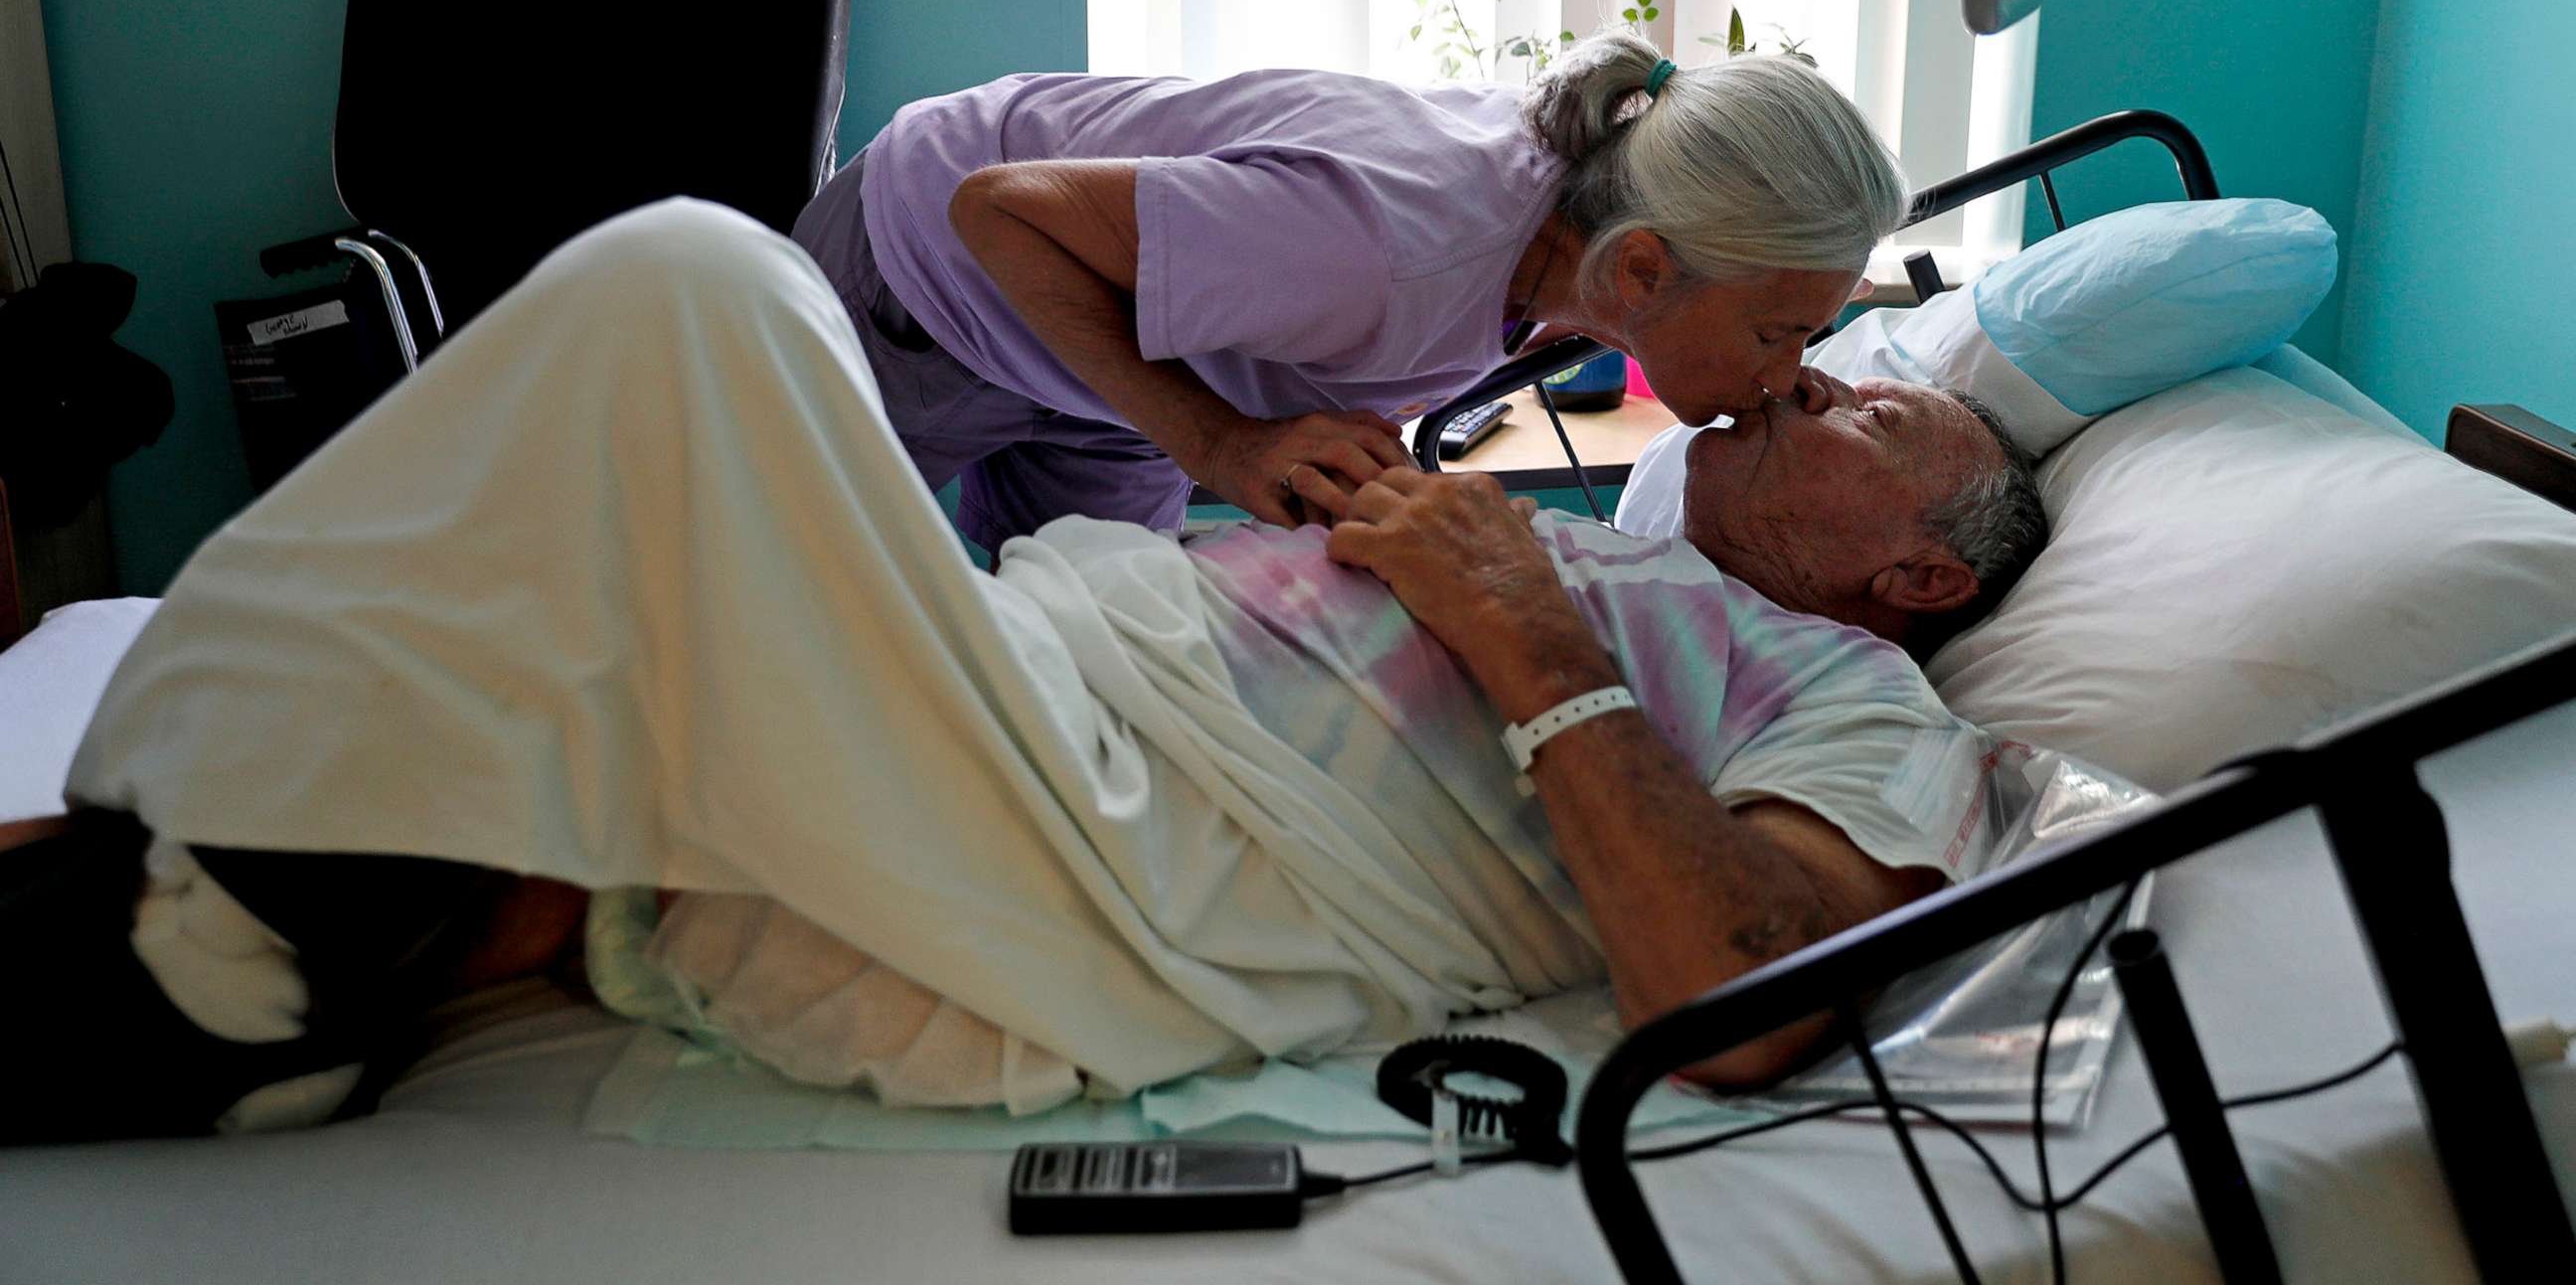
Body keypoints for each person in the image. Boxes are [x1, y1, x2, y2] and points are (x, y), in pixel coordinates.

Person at [5, 202, 2041, 1143]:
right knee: (591, 520)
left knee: (694, 289)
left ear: (1922, 573)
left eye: (1882, 419)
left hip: (1102, 864)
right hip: (1010, 697)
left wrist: (1515, 628)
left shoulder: (1864, 710)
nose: (1833, 381)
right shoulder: (1595, 531)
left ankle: (206, 892)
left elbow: (1747, 1004)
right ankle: (246, 938)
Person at [795, 32, 1905, 552]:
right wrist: (1220, 443)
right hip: (938, 278)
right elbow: (1000, 210)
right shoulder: (1382, 250)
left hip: (1141, 359)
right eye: (1781, 332)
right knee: (772, 598)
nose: (1789, 373)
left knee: (1089, 650)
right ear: (1644, 269)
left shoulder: (1562, 248)